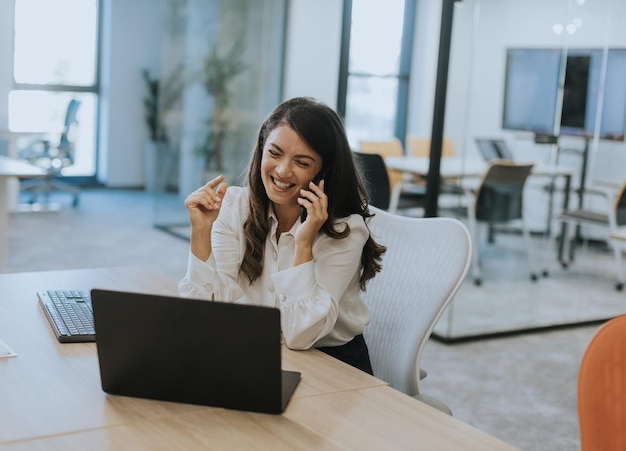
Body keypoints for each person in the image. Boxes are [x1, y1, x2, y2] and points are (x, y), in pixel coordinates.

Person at [178, 97, 386, 374]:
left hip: (333, 362)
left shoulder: (345, 231)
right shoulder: (236, 206)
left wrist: (304, 242)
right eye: (275, 153)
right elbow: (201, 311)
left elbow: (300, 335)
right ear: (262, 150)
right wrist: (201, 230)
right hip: (268, 351)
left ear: (324, 170)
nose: (282, 170)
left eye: (302, 162)